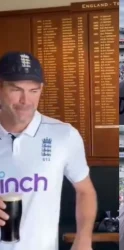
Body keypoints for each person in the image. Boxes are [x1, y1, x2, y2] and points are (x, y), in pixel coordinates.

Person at [0, 52, 97, 250]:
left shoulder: (64, 135)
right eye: (16, 89)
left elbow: (85, 190)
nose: (25, 100)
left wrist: (84, 238)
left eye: (33, 90)